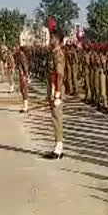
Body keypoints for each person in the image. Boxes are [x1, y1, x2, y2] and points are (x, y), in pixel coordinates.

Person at [44, 24, 66, 160]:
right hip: (52, 86)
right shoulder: (53, 53)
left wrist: (57, 93)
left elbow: (60, 75)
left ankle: (58, 149)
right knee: (55, 117)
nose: (50, 39)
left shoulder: (58, 54)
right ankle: (58, 146)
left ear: (57, 39)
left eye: (51, 37)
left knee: (57, 117)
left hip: (55, 87)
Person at [16, 46, 30, 113]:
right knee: (22, 90)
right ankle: (25, 106)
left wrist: (27, 76)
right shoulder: (20, 55)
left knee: (24, 90)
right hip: (22, 74)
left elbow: (25, 66)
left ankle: (26, 107)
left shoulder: (22, 56)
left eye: (17, 48)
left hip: (23, 75)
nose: (16, 49)